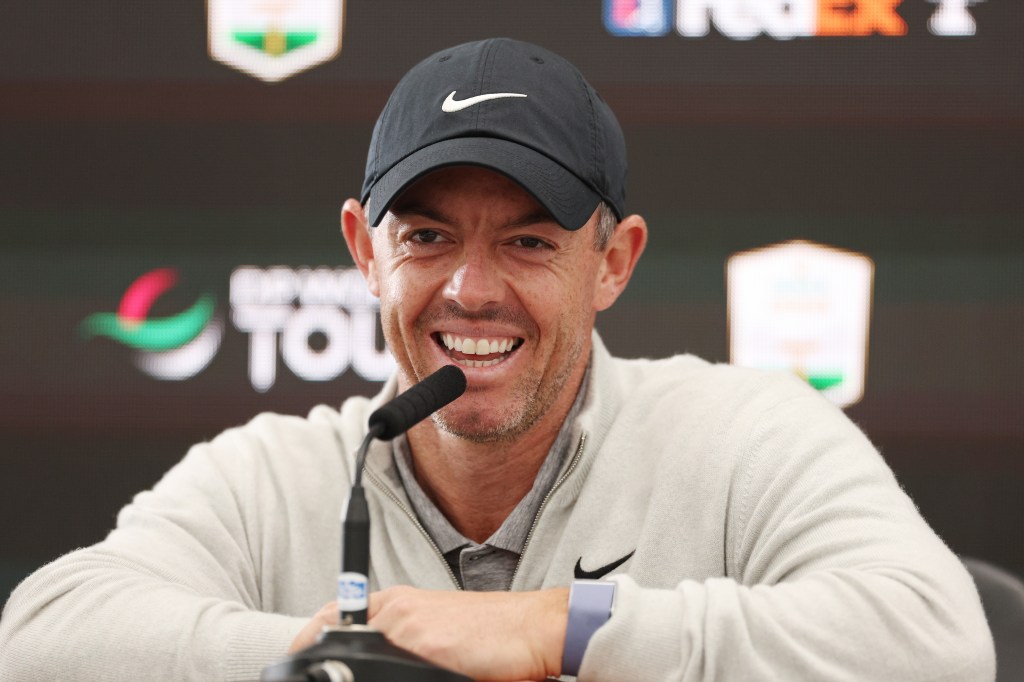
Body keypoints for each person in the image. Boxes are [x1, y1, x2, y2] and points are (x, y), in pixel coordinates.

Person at [0, 37, 994, 682]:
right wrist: (330, 656)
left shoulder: (743, 433)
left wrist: (551, 628)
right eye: (426, 238)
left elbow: (939, 642)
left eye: (528, 241)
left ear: (612, 260)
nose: (470, 290)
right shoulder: (282, 470)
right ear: (362, 249)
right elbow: (41, 636)